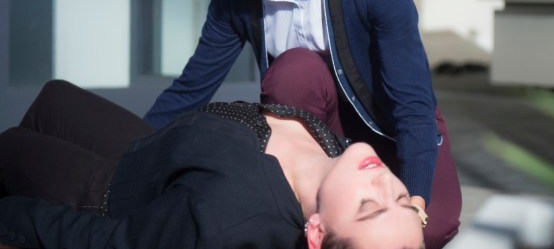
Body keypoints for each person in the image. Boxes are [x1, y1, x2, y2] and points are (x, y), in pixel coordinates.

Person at [143, 0, 461, 247]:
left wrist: (413, 200)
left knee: (427, 226)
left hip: (392, 125)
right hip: (315, 141)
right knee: (296, 69)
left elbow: (412, 101)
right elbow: (194, 84)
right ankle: (301, 206)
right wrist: (131, 149)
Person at [0, 54, 425, 249]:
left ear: (315, 233)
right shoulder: (340, 158)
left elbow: (111, 241)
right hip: (147, 151)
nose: (383, 182)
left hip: (101, 195)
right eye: (404, 199)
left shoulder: (230, 219)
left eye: (369, 206)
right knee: (53, 97)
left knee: (8, 147)